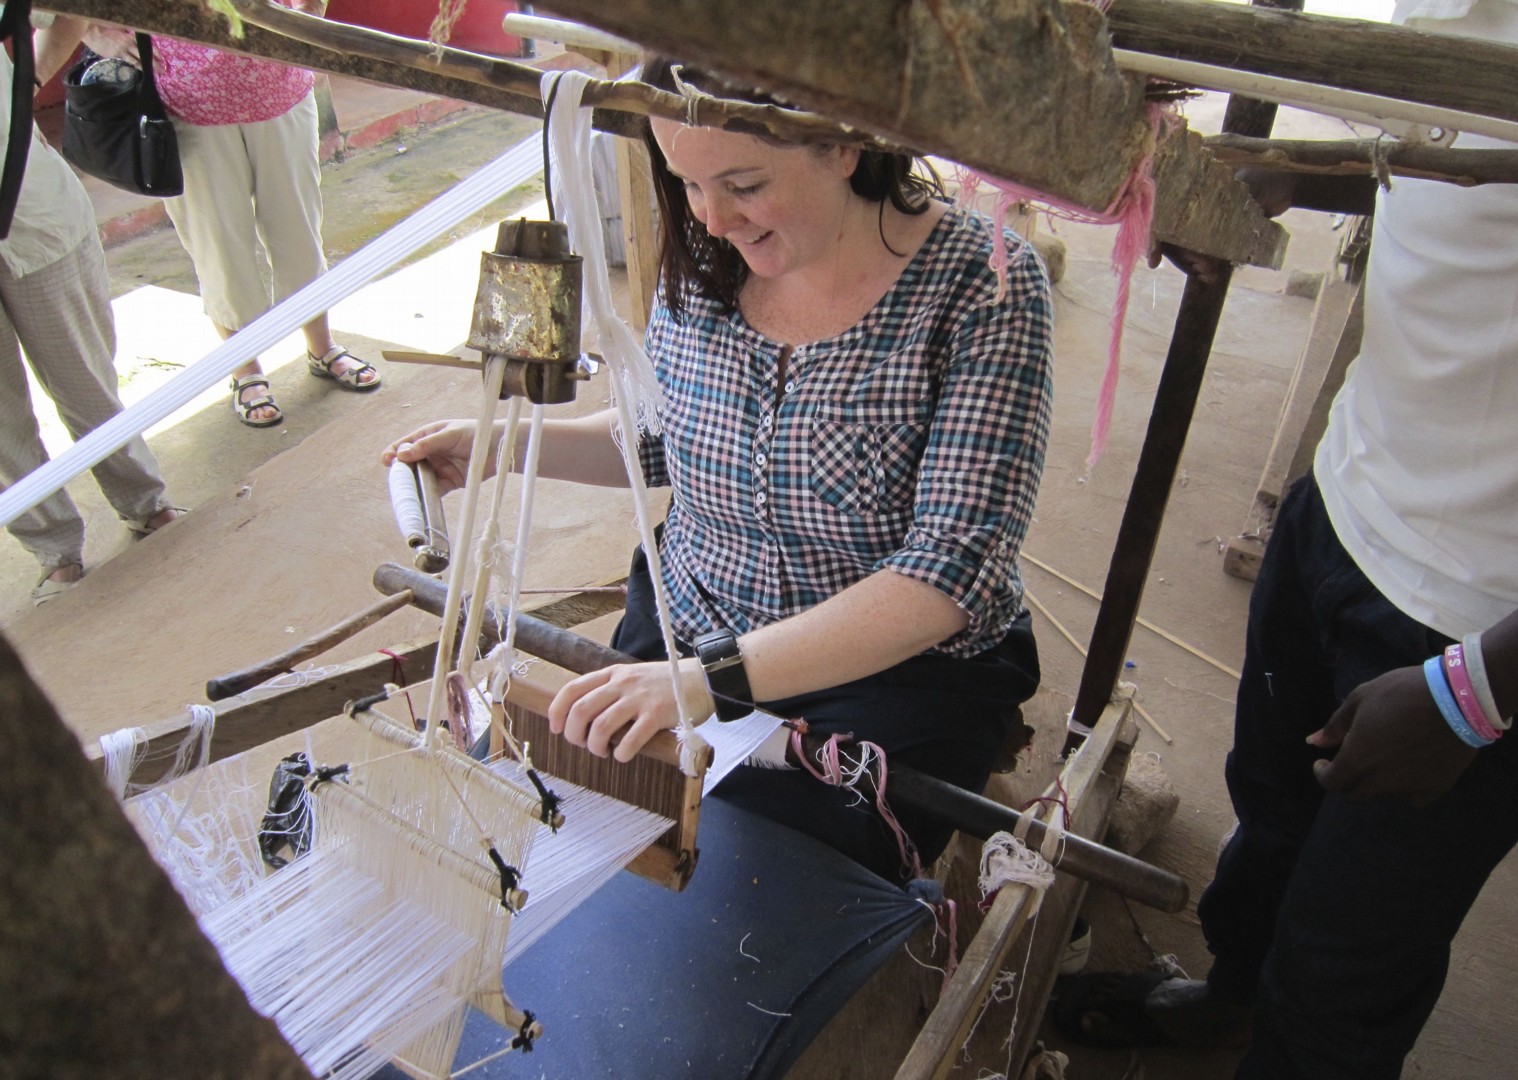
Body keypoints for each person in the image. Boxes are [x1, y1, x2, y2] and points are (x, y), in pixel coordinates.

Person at [383, 59, 1053, 880]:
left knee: (757, 883)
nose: (712, 215)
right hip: (687, 624)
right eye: (687, 183)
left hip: (890, 678)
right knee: (558, 817)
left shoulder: (984, 286)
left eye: (742, 182)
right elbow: (662, 439)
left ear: (842, 142)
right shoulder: (705, 259)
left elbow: (949, 576)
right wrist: (503, 448)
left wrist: (707, 683)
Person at [1054, 2, 1518, 1076]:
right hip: (1345, 502)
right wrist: (1302, 176)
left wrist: (1476, 693)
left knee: (1348, 963)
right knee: (1272, 818)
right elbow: (1459, 157)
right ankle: (1230, 1000)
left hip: (1472, 616)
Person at [68, 4, 380, 429]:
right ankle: (245, 371)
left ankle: (321, 348)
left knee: (299, 231)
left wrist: (309, 15)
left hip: (281, 87)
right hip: (185, 103)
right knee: (220, 246)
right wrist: (92, 32)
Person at [0, 12, 181, 607]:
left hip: (32, 215)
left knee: (86, 382)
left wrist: (24, 82)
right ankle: (53, 547)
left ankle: (143, 502)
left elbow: (67, 11)